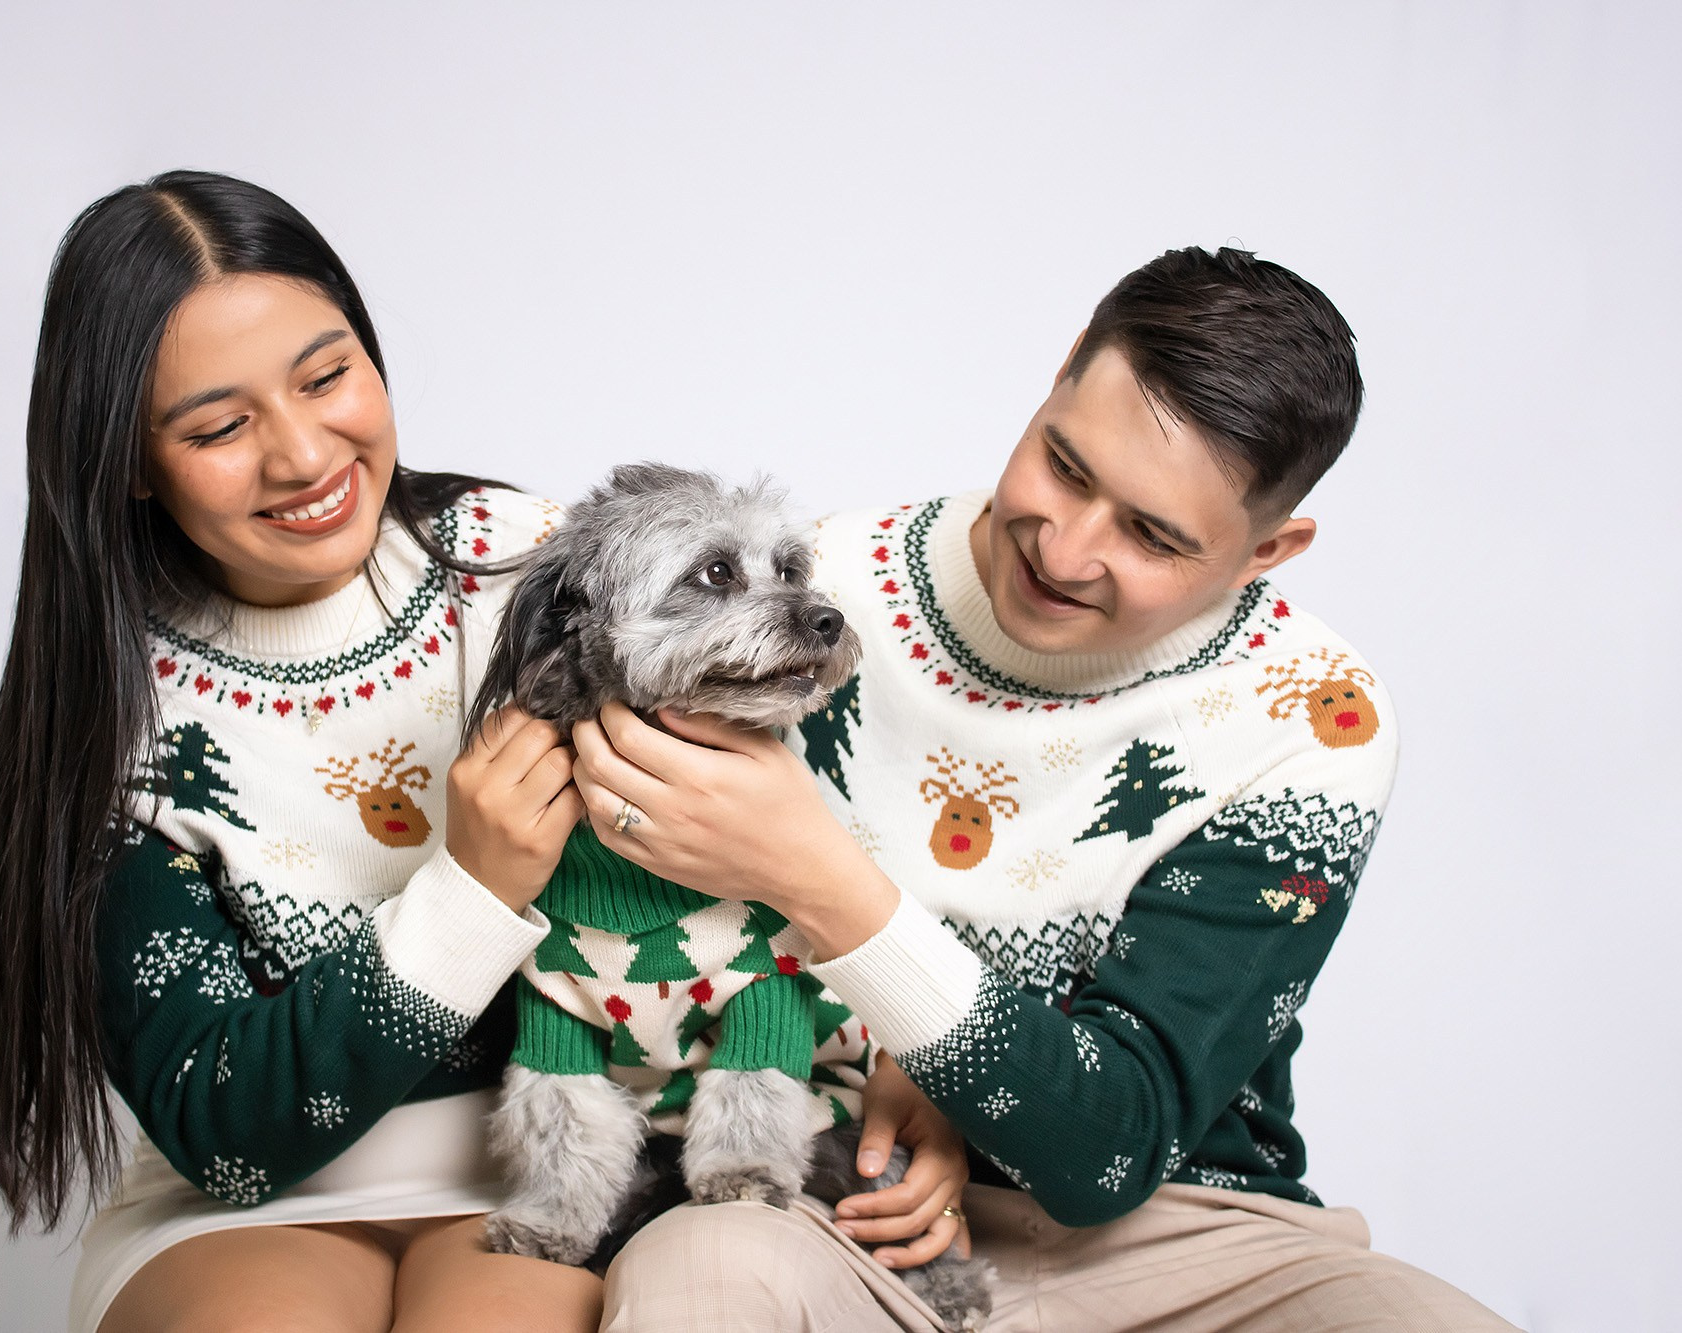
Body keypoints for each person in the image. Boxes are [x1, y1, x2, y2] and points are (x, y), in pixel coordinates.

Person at [0, 169, 971, 1333]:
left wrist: (913, 1071)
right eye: (219, 426)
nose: (300, 454)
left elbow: (805, 824)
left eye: (327, 376)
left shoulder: (531, 566)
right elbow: (227, 1137)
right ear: (129, 458)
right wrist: (469, 891)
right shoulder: (113, 716)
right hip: (252, 1198)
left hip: (557, 1161)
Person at [573, 248, 1516, 1330]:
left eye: (1152, 535)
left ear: (1269, 550)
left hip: (1179, 1232)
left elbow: (1107, 1146)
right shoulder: (807, 593)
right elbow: (623, 946)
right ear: (1063, 365)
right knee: (698, 1281)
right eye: (1065, 467)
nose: (1064, 552)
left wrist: (823, 882)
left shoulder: (1309, 721)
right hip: (825, 1196)